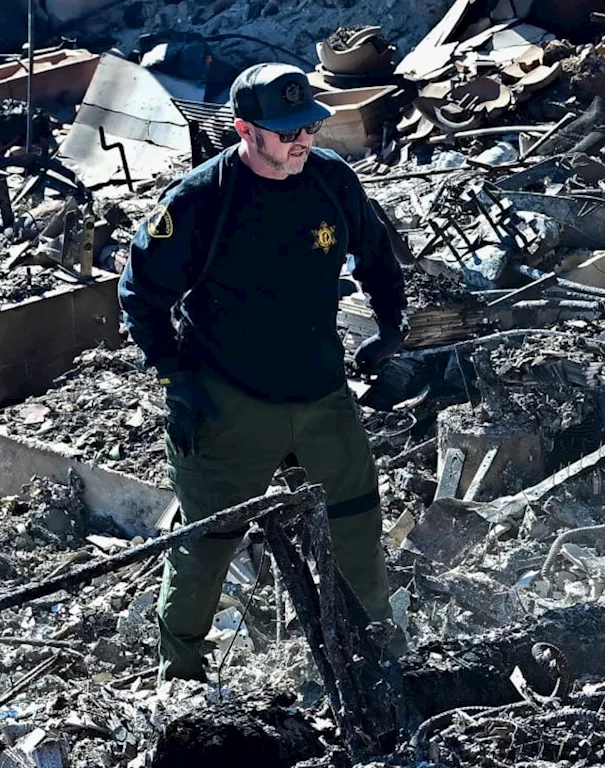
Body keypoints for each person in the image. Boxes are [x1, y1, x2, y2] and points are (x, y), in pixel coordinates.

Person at [118, 62, 410, 682]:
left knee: (356, 518)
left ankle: (376, 648)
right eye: (285, 132)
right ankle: (183, 672)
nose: (301, 140)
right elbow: (139, 295)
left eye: (307, 126)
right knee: (208, 539)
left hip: (322, 390)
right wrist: (177, 378)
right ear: (245, 129)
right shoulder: (201, 201)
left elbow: (379, 256)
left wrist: (390, 329)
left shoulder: (331, 181)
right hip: (230, 398)